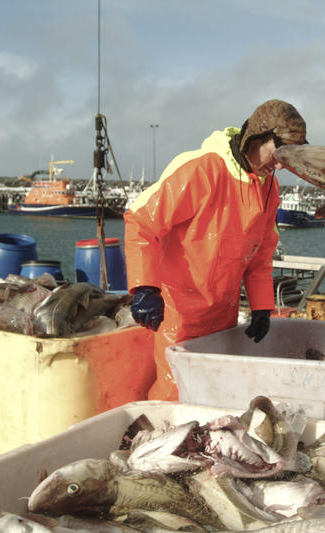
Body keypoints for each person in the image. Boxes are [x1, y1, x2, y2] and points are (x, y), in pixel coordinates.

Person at [124, 99, 307, 401]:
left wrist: (262, 307)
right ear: (258, 136)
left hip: (223, 316)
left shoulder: (269, 189)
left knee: (215, 398)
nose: (283, 162)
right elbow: (141, 221)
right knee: (174, 397)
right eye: (281, 150)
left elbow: (260, 256)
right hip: (177, 315)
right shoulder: (202, 169)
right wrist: (144, 287)